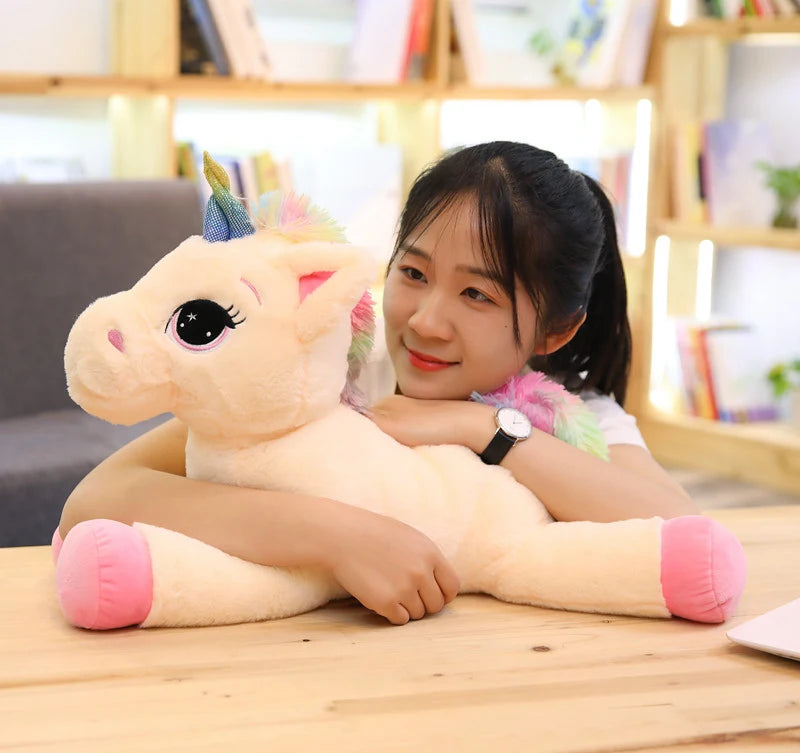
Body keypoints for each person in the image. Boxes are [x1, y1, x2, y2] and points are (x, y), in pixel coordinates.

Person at [59, 141, 698, 626]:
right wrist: (337, 535)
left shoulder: (570, 413)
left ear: (555, 331)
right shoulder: (333, 374)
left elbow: (678, 523)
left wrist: (487, 430)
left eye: (476, 294)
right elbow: (96, 497)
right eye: (413, 274)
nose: (424, 322)